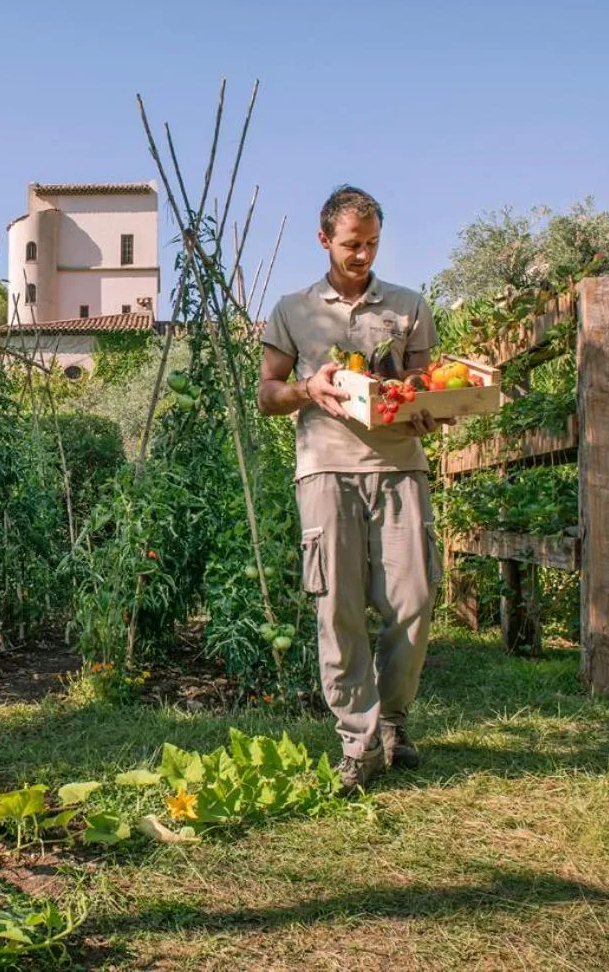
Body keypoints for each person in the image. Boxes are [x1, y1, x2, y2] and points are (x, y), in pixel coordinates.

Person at [256, 185, 443, 792]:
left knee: (413, 599)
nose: (362, 255)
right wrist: (310, 389)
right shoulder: (293, 309)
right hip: (326, 469)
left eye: (371, 244)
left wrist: (429, 406)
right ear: (325, 240)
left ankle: (393, 718)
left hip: (400, 468)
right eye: (350, 244)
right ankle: (357, 743)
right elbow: (267, 395)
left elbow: (425, 382)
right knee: (337, 608)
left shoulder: (409, 305)